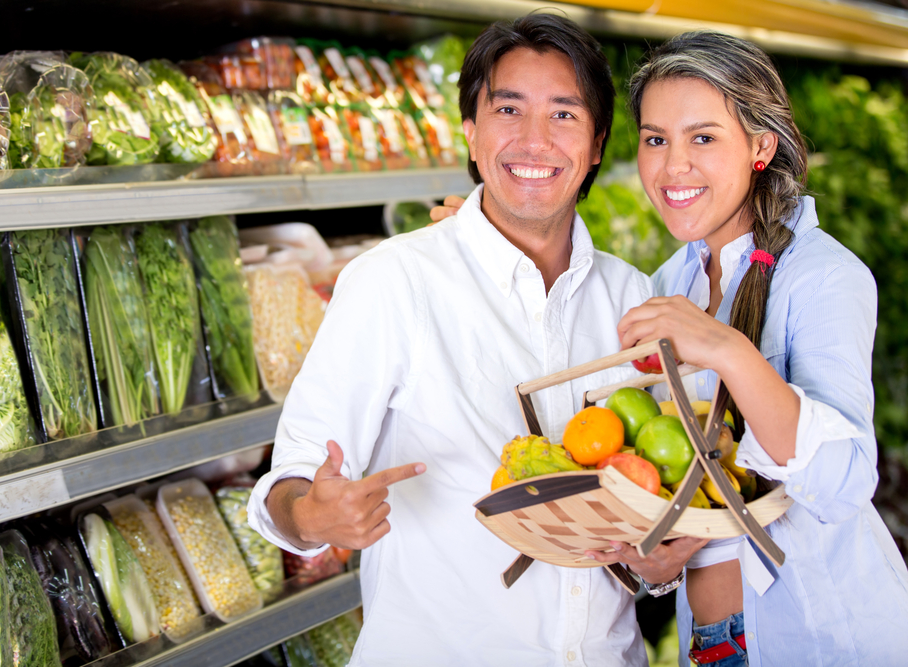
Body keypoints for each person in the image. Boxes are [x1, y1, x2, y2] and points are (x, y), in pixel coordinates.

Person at [434, 30, 908, 667]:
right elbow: (673, 469)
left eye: (703, 138)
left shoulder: (823, 276)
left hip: (820, 635)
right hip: (710, 644)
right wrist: (657, 558)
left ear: (761, 146)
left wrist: (729, 350)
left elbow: (846, 480)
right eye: (656, 139)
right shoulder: (669, 282)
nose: (672, 166)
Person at [247, 13, 654, 666]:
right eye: (509, 110)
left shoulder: (634, 300)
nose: (533, 140)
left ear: (598, 143)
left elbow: (657, 505)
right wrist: (312, 515)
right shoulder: (394, 281)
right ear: (471, 132)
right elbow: (289, 484)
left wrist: (661, 554)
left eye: (564, 115)